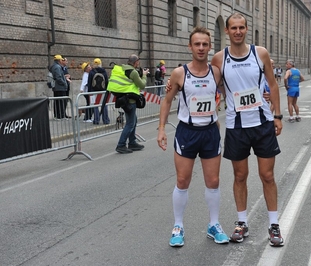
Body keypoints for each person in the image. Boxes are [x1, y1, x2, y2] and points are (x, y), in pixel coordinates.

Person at [211, 13, 284, 246]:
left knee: (267, 175)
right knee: (240, 176)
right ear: (227, 31)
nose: (238, 31)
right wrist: (175, 81)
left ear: (246, 29)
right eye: (233, 28)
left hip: (262, 123)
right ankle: (241, 223)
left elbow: (272, 84)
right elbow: (205, 78)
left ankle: (274, 226)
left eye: (242, 27)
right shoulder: (219, 58)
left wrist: (278, 115)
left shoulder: (260, 53)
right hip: (236, 126)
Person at [157, 27, 229, 247]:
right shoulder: (180, 73)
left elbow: (231, 90)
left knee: (213, 181)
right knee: (182, 181)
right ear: (190, 46)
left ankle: (213, 224)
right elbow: (167, 101)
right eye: (196, 44)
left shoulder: (216, 72)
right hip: (187, 132)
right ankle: (178, 225)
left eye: (205, 44)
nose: (201, 48)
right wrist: (161, 129)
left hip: (209, 131)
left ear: (209, 47)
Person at [108, 54, 148, 154]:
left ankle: (132, 142)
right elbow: (142, 85)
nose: (139, 63)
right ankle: (121, 145)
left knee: (133, 120)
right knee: (130, 123)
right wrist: (144, 75)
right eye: (138, 61)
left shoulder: (123, 69)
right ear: (135, 62)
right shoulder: (133, 72)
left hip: (124, 99)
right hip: (130, 101)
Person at [88, 58, 110, 124]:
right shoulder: (104, 71)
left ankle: (96, 120)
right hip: (103, 91)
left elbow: (89, 83)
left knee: (95, 106)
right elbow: (106, 82)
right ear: (100, 63)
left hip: (94, 91)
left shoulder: (92, 72)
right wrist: (107, 90)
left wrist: (89, 92)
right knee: (104, 105)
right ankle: (106, 120)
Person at [50, 54, 68, 120]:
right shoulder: (57, 67)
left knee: (57, 101)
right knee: (61, 102)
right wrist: (64, 83)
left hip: (57, 87)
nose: (62, 60)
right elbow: (58, 77)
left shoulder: (54, 66)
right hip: (60, 87)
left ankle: (57, 115)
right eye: (61, 59)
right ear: (59, 60)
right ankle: (60, 115)